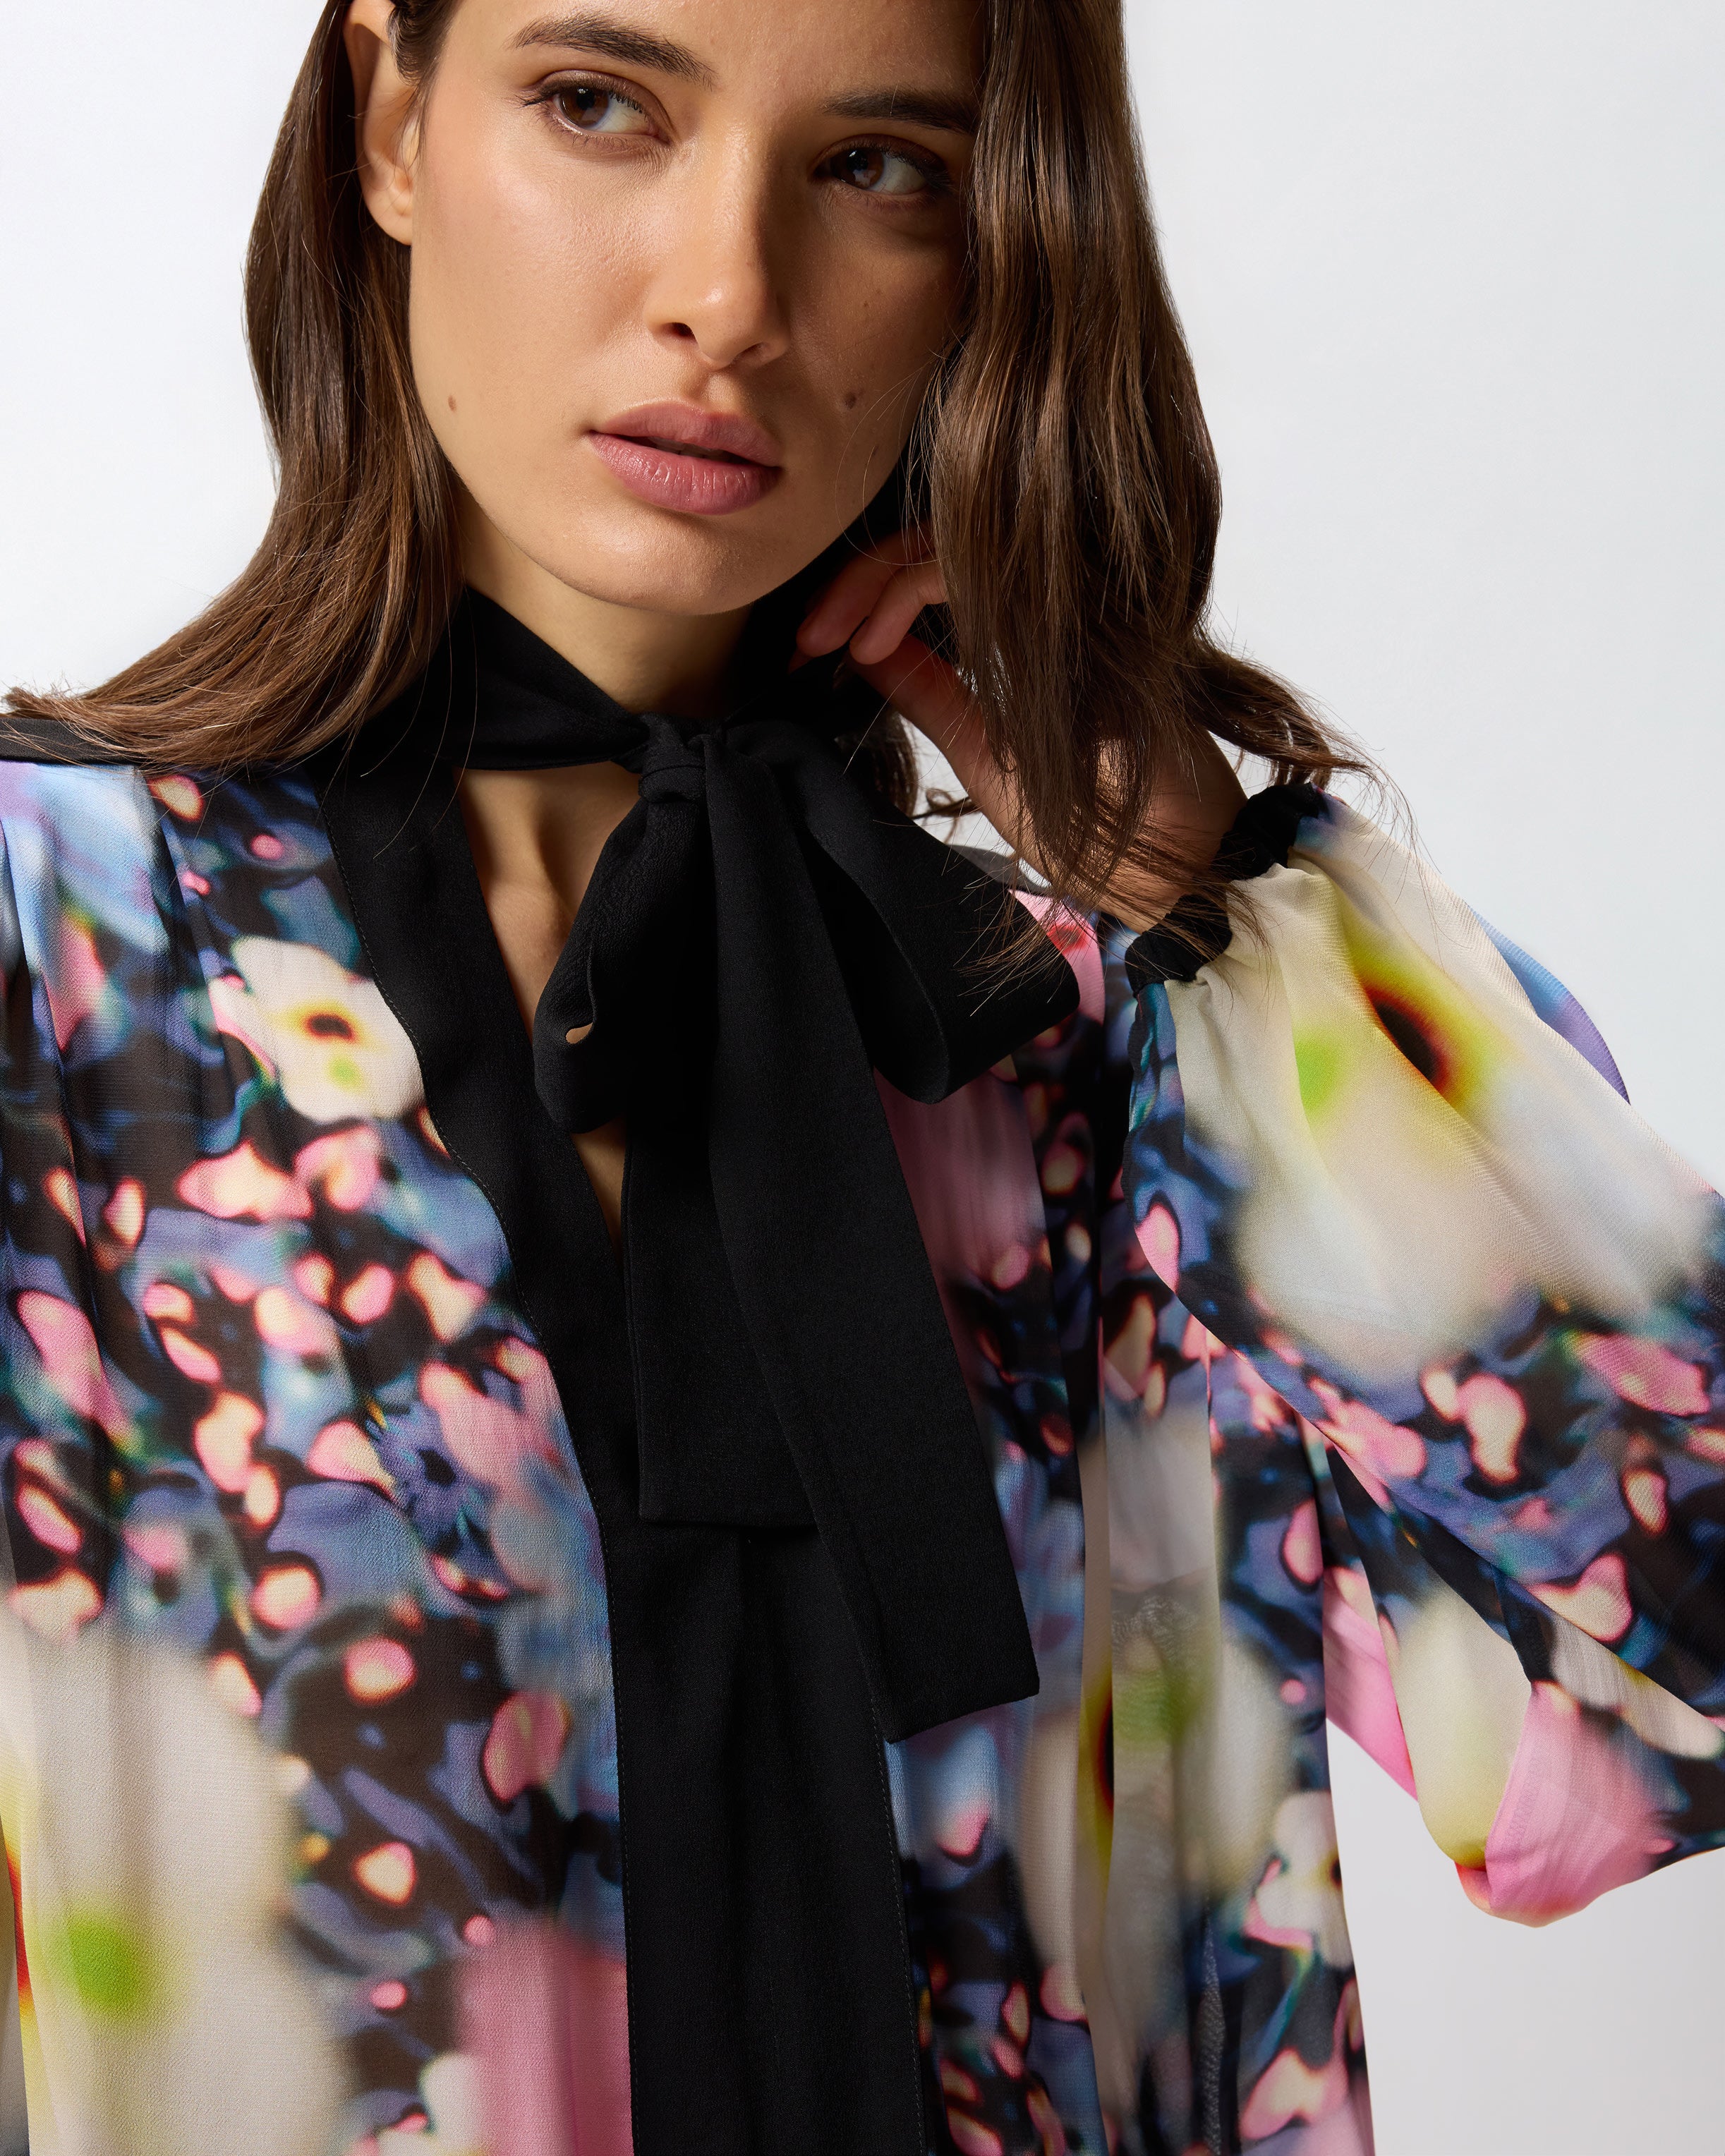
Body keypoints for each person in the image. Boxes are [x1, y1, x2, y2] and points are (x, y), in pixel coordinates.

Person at [0, 1, 1719, 2152]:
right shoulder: (59, 962)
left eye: (878, 166)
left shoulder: (1102, 1060)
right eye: (600, 105)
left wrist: (1232, 909)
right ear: (394, 122)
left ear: (997, 246)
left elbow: (1666, 1672)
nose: (728, 294)